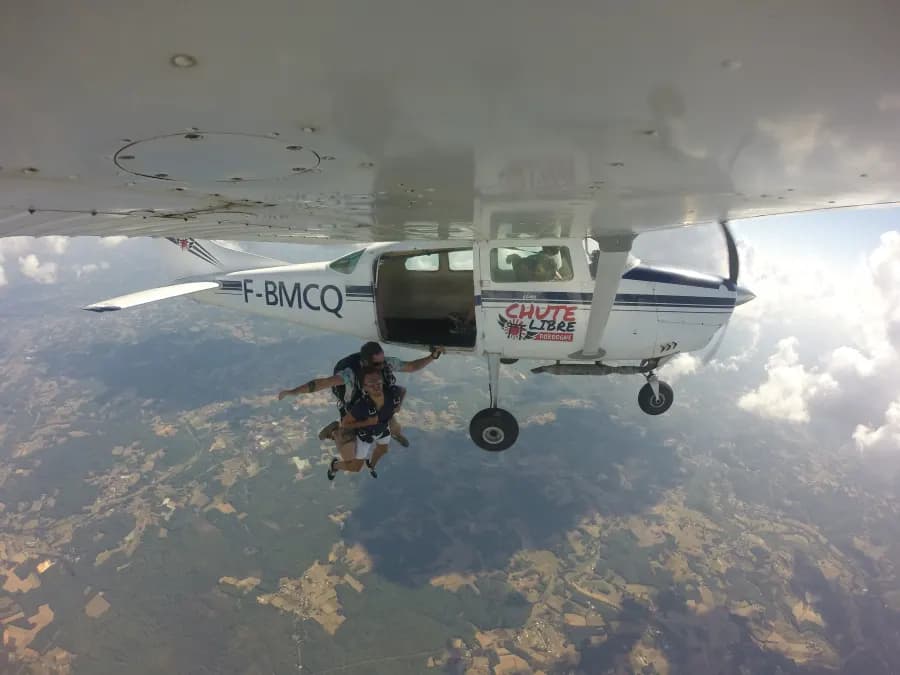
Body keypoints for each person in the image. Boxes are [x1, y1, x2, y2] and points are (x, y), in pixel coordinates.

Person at [277, 341, 443, 450]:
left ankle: (395, 433)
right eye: (376, 363)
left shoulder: (385, 365)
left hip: (377, 402)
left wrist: (432, 357)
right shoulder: (350, 375)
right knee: (349, 441)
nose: (381, 366)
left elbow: (412, 366)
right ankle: (335, 430)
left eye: (382, 361)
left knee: (393, 422)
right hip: (357, 406)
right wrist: (294, 392)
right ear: (364, 363)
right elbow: (322, 383)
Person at [326, 366, 403, 479]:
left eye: (379, 383)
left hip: (381, 429)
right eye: (373, 385)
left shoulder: (392, 394)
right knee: (356, 467)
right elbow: (346, 424)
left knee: (383, 449)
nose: (377, 387)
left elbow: (400, 393)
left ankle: (371, 465)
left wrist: (397, 407)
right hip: (364, 435)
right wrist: (367, 422)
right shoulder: (362, 406)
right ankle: (334, 465)